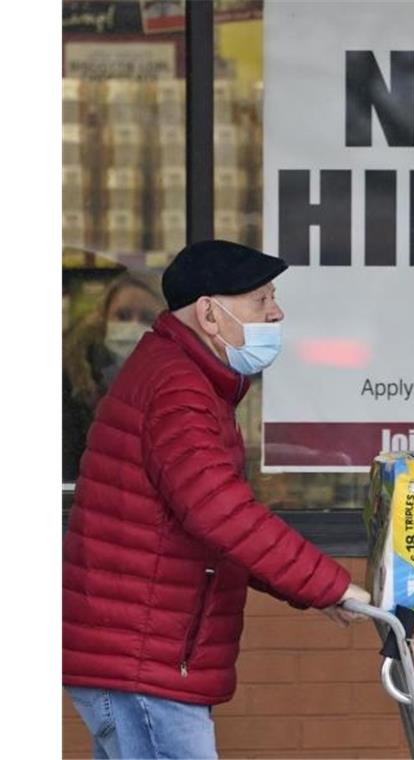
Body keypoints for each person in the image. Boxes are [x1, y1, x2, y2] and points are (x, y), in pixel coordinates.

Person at [63, 240, 373, 759]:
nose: (276, 311)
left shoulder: (185, 379)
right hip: (142, 660)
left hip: (141, 655)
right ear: (209, 313)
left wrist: (318, 592)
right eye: (260, 299)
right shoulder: (177, 390)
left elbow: (212, 523)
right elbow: (220, 512)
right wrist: (330, 585)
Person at [62, 271, 164, 481]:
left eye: (147, 318)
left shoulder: (179, 386)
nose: (133, 326)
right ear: (104, 320)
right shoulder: (71, 380)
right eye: (123, 316)